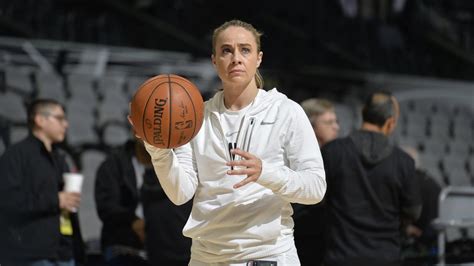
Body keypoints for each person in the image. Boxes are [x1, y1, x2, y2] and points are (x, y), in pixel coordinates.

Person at [134, 19, 326, 265]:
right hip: (206, 257)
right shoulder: (193, 118)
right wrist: (158, 150)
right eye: (226, 50)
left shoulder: (286, 111)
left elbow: (316, 188)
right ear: (214, 60)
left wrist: (266, 173)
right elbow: (181, 193)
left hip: (267, 255)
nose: (236, 57)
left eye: (245, 49)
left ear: (258, 58)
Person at [321, 91, 422, 266]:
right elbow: (413, 211)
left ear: (363, 112)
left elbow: (317, 199)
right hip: (386, 257)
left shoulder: (333, 152)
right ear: (390, 123)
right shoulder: (404, 162)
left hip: (340, 256)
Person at [0, 99, 84, 266]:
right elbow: (8, 201)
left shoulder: (60, 159)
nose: (66, 124)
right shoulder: (15, 156)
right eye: (60, 118)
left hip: (64, 254)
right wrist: (56, 200)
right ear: (40, 120)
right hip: (31, 255)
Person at [94, 137, 192, 266]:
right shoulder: (114, 164)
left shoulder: (181, 163)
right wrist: (132, 220)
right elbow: (106, 206)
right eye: (146, 125)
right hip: (127, 247)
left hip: (171, 246)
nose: (152, 134)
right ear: (134, 130)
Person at [293, 98, 340, 265]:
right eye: (328, 122)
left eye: (336, 121)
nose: (336, 127)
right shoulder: (294, 156)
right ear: (310, 126)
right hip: (299, 235)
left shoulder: (334, 155)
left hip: (323, 238)